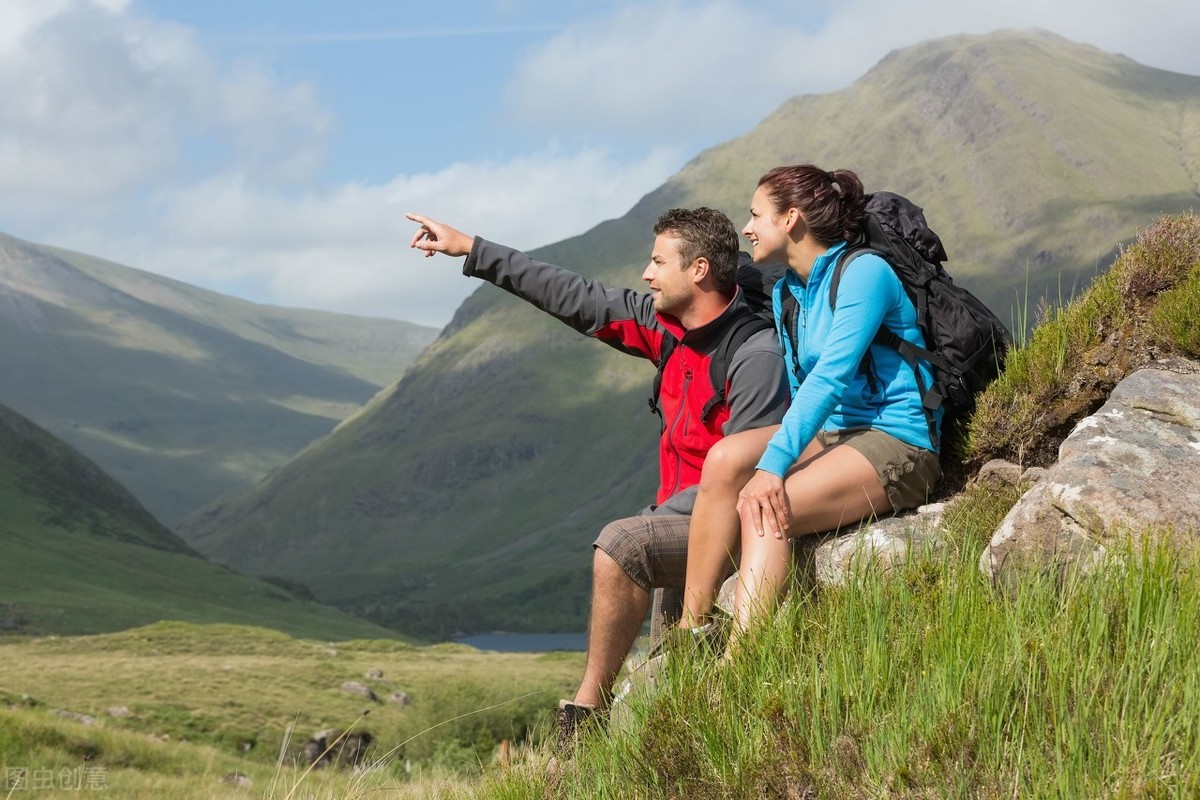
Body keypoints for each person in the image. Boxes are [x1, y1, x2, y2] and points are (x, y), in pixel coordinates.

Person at [406, 207, 788, 736]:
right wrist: (472, 249)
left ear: (699, 270)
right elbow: (574, 296)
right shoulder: (668, 330)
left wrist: (657, 520)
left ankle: (584, 719)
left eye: (658, 262)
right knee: (676, 690)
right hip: (680, 523)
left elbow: (749, 476)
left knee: (622, 546)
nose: (646, 273)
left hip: (724, 528)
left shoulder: (756, 354)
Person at [676, 165, 943, 641]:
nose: (748, 228)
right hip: (836, 435)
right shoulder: (787, 293)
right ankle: (692, 628)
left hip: (897, 437)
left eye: (757, 215)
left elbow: (831, 377)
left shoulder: (864, 273)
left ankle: (743, 662)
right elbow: (801, 391)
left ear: (791, 218)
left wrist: (774, 467)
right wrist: (773, 458)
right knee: (723, 459)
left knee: (764, 506)